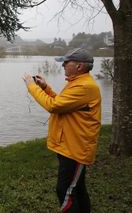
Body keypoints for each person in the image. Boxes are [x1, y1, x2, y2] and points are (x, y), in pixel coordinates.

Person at [23, 48, 101, 213]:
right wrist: (45, 88)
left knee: (65, 190)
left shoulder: (85, 86)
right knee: (76, 189)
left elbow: (54, 106)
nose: (63, 65)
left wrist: (32, 86)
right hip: (69, 146)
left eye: (67, 62)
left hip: (76, 149)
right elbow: (62, 103)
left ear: (79, 66)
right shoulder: (78, 83)